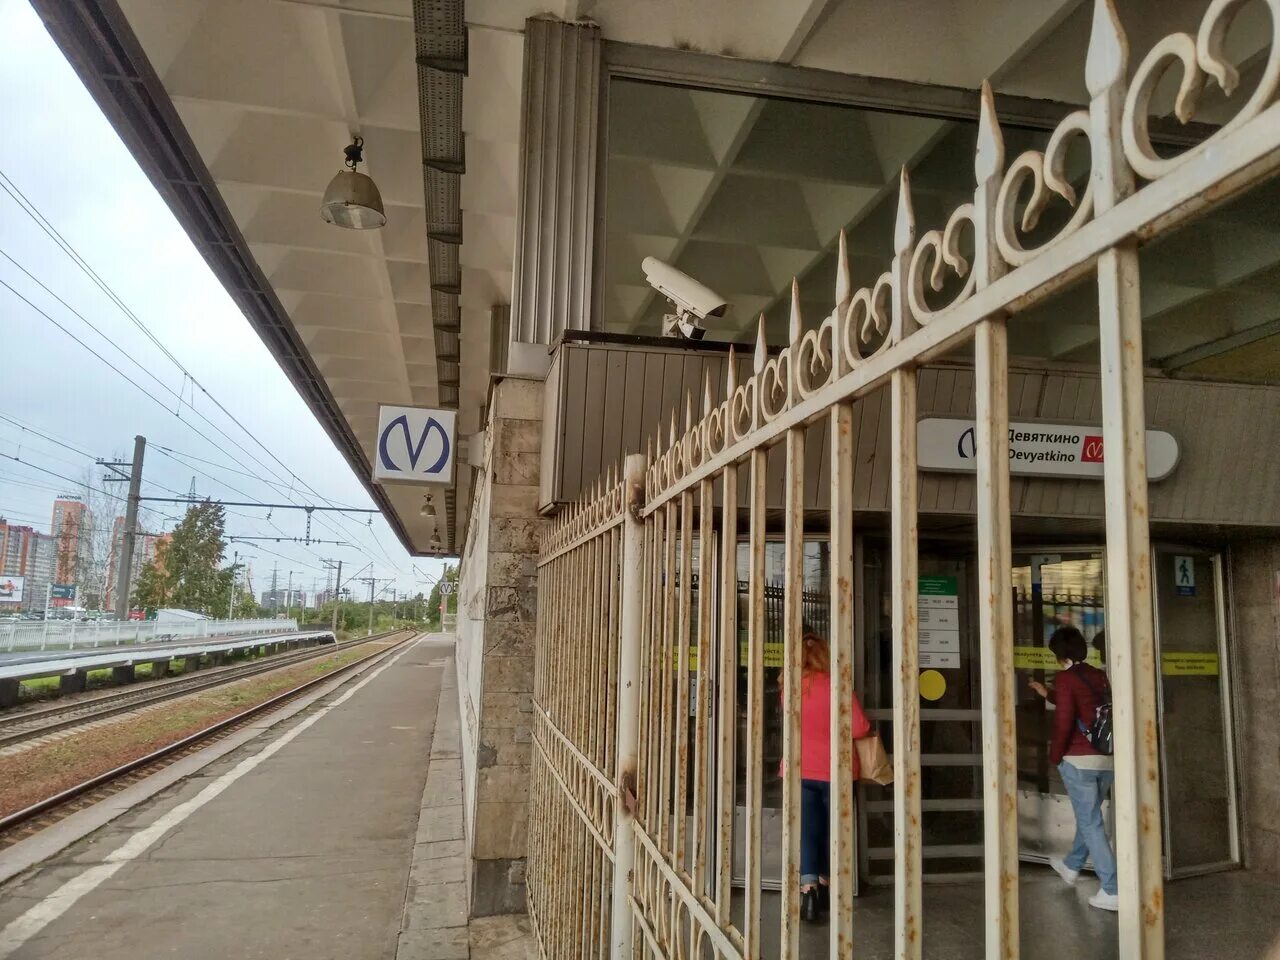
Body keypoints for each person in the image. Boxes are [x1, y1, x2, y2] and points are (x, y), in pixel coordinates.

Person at [1028, 626, 1118, 912]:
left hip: (1078, 761)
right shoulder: (1098, 675)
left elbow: (1066, 720)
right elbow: (1087, 706)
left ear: (1059, 654)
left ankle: (1112, 889)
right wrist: (1049, 694)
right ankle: (1071, 866)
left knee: (1090, 822)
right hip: (1105, 759)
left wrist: (1055, 757)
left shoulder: (1067, 679)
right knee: (1089, 817)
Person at [790, 632, 871, 922]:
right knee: (832, 831)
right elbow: (860, 728)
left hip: (801, 770)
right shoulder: (839, 689)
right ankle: (826, 886)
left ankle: (808, 891)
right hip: (838, 772)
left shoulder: (792, 689)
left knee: (809, 831)